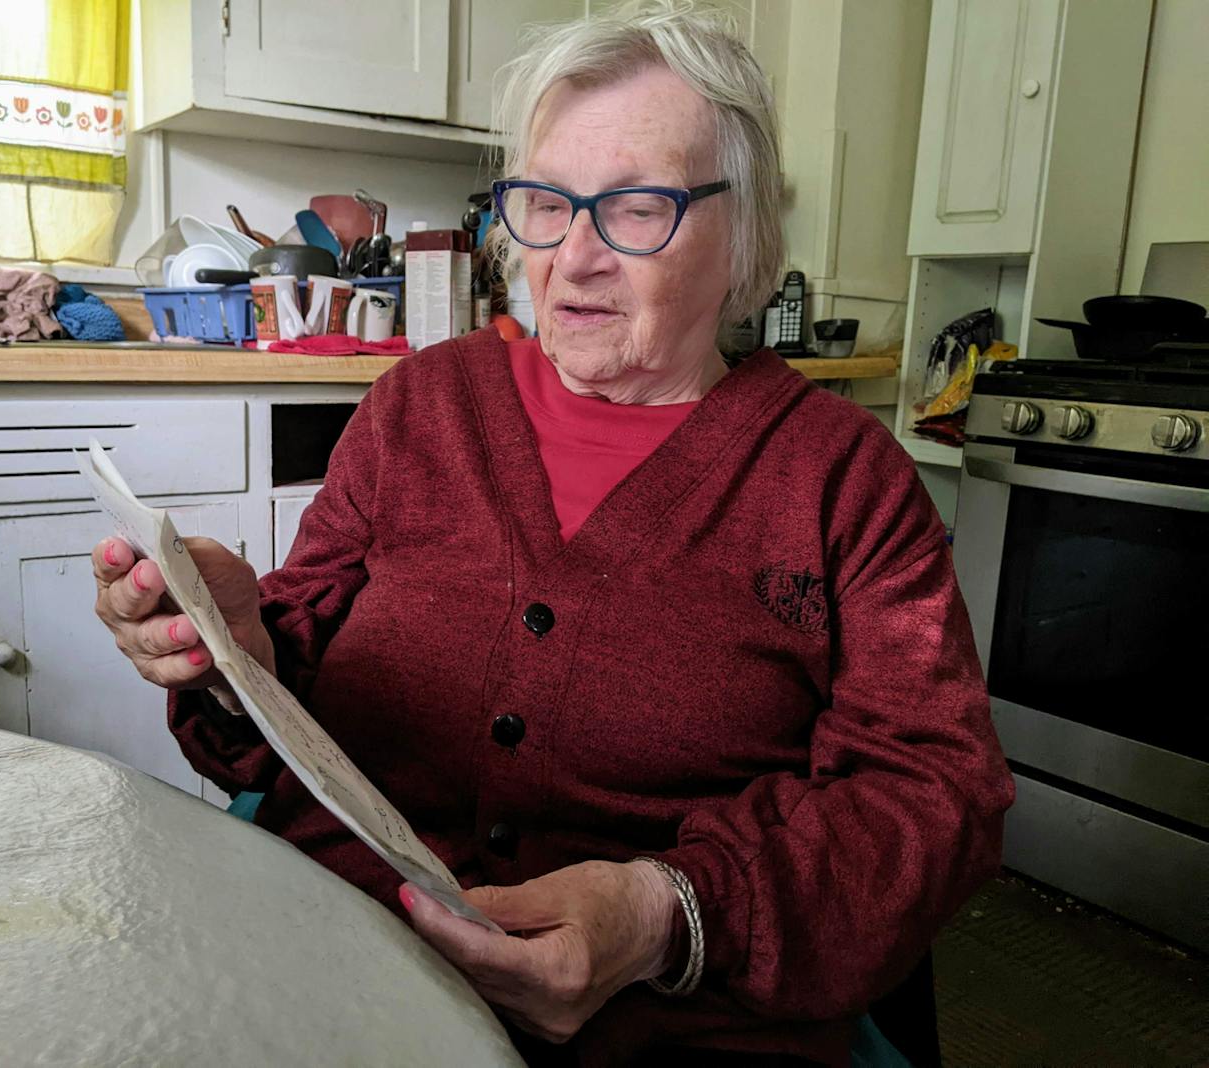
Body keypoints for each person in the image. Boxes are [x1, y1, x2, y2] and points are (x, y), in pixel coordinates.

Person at [93, 3, 1014, 1063]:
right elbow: (287, 689)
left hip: (670, 1025)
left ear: (742, 228)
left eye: (632, 209)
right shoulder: (418, 407)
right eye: (542, 203)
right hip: (331, 959)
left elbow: (932, 800)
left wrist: (668, 912)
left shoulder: (844, 483)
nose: (570, 259)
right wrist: (238, 652)